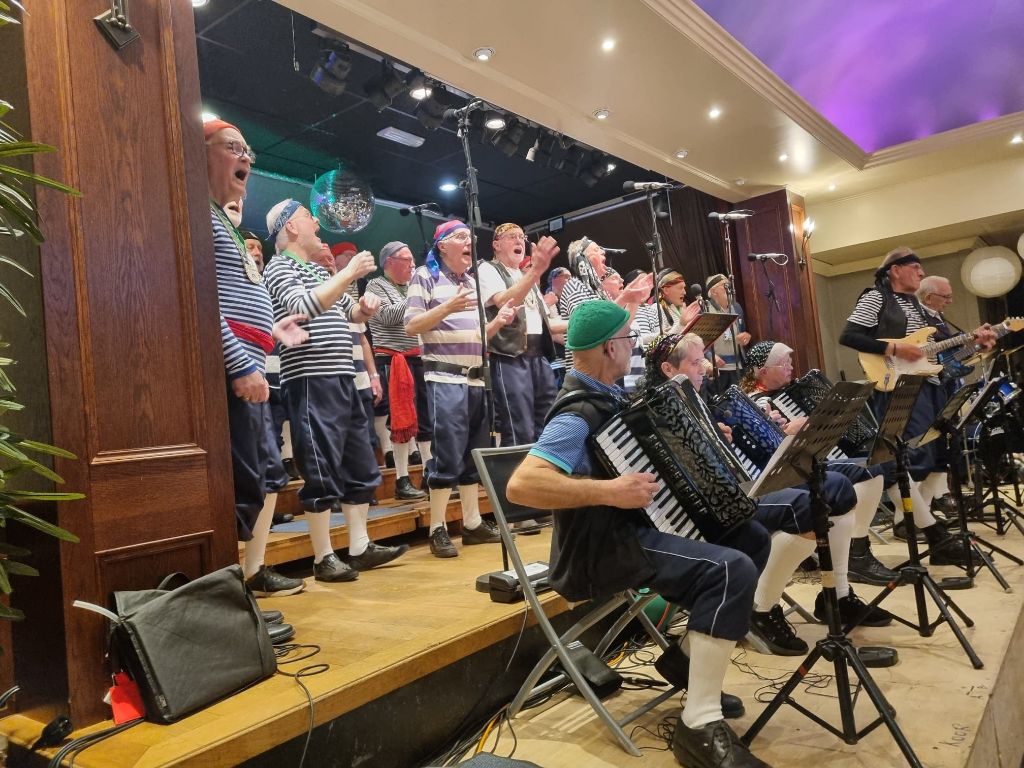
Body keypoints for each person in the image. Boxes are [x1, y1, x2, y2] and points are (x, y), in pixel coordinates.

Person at [507, 302, 772, 768]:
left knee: (750, 538)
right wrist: (610, 490)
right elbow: (522, 485)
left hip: (633, 531)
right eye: (628, 340)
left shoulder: (611, 397)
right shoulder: (576, 413)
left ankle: (685, 661)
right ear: (610, 347)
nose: (633, 348)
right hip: (600, 550)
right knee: (729, 570)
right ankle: (698, 727)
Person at [644, 333, 889, 650]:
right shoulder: (657, 409)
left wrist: (733, 434)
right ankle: (762, 607)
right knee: (811, 504)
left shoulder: (694, 400)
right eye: (695, 362)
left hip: (736, 491)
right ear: (668, 368)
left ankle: (837, 593)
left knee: (832, 488)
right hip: (709, 508)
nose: (704, 367)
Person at [263, 198, 408, 581]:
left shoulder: (315, 269)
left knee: (359, 461)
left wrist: (366, 307)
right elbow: (302, 305)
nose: (316, 223)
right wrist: (349, 273)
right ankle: (322, 556)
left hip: (344, 378)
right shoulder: (279, 267)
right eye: (308, 217)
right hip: (311, 379)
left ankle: (359, 546)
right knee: (320, 465)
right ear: (290, 226)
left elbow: (350, 312)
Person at [204, 119, 307, 600]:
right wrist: (240, 363)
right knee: (236, 486)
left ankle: (242, 589)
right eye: (233, 148)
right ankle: (227, 600)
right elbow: (201, 297)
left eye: (248, 151)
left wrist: (270, 332)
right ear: (199, 153)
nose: (246, 158)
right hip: (232, 371)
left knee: (258, 478)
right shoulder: (199, 215)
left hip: (250, 361)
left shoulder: (221, 220)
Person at [837, 248, 991, 565]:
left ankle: (932, 533)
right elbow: (849, 335)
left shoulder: (916, 307)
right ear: (895, 270)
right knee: (908, 461)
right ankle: (934, 538)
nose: (921, 273)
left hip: (928, 385)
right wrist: (894, 348)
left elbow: (935, 356)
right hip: (898, 387)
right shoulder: (875, 298)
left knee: (933, 456)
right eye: (915, 267)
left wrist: (975, 345)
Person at [740, 340, 898, 586]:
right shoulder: (753, 403)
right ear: (763, 372)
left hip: (811, 463)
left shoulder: (793, 390)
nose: (791, 368)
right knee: (849, 479)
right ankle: (853, 556)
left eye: (790, 362)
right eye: (783, 364)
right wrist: (790, 431)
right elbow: (768, 453)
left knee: (876, 466)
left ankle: (858, 548)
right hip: (786, 473)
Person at [404, 220, 517, 558]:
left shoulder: (471, 282)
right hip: (445, 378)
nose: (470, 242)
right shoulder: (424, 276)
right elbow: (411, 326)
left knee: (473, 454)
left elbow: (480, 336)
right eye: (461, 237)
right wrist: (447, 307)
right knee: (448, 454)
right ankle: (437, 527)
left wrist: (497, 322)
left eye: (470, 237)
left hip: (477, 378)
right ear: (442, 245)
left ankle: (471, 523)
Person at [477, 223, 564, 447]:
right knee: (519, 428)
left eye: (521, 237)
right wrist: (536, 271)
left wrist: (585, 320)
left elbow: (547, 324)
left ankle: (544, 468)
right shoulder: (488, 269)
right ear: (496, 245)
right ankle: (517, 470)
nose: (519, 241)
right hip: (510, 357)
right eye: (511, 237)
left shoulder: (526, 277)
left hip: (539, 357)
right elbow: (504, 301)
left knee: (547, 422)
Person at [365, 241, 432, 500]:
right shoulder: (375, 285)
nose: (412, 264)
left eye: (412, 259)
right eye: (406, 259)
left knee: (425, 419)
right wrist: (418, 297)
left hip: (419, 358)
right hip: (392, 360)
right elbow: (387, 316)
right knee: (400, 421)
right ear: (389, 262)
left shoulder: (412, 286)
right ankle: (402, 479)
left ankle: (429, 473)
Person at [556, 237, 653, 370]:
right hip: (587, 370)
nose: (603, 252)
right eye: (596, 250)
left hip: (603, 369)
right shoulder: (575, 285)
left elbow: (622, 326)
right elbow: (587, 326)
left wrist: (634, 300)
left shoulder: (599, 290)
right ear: (582, 257)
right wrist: (624, 298)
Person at [706, 273, 751, 394]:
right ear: (714, 291)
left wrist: (745, 337)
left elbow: (742, 331)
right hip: (719, 369)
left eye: (729, 285)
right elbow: (698, 340)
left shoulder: (736, 307)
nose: (728, 288)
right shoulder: (705, 310)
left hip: (738, 365)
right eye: (724, 285)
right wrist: (710, 356)